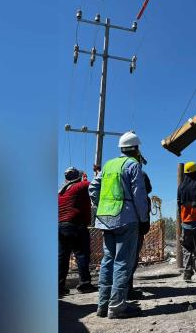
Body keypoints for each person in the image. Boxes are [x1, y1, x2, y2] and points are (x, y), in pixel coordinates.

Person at [88, 132, 149, 319]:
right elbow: (139, 196)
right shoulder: (133, 165)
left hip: (106, 220)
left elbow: (93, 188)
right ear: (136, 149)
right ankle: (117, 307)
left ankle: (103, 305)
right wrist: (143, 219)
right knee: (122, 261)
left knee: (108, 260)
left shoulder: (108, 165)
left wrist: (102, 206)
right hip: (126, 219)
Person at [58, 167, 95, 297]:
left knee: (62, 257)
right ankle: (84, 284)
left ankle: (59, 287)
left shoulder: (61, 191)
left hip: (60, 227)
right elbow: (94, 184)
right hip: (76, 225)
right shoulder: (80, 186)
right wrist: (87, 177)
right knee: (82, 255)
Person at [127, 172, 152, 299]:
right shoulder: (143, 198)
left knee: (116, 260)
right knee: (130, 260)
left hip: (113, 224)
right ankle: (127, 290)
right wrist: (143, 227)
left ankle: (115, 291)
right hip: (134, 229)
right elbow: (144, 215)